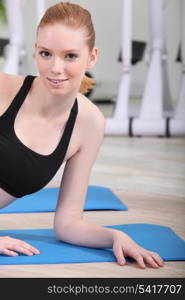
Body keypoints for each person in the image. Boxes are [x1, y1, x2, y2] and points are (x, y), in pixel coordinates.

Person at [0, 2, 164, 269]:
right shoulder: (3, 89)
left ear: (92, 57)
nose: (55, 68)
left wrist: (115, 236)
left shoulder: (89, 123)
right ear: (36, 52)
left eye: (70, 56)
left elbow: (68, 224)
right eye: (46, 53)